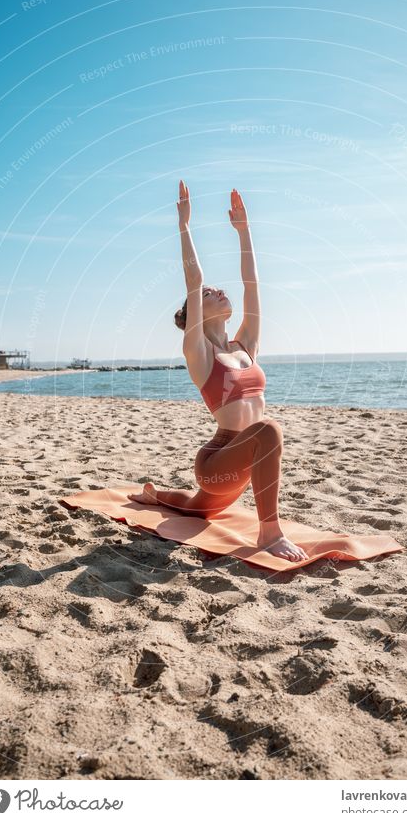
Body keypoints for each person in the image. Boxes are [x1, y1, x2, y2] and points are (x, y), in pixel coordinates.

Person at [128, 181, 308, 562]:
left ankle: (155, 494)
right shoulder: (200, 353)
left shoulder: (245, 345)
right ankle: (270, 533)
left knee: (199, 508)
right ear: (196, 312)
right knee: (269, 428)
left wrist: (244, 232)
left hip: (243, 461)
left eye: (217, 290)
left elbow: (251, 284)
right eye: (210, 294)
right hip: (219, 458)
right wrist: (184, 225)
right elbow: (193, 279)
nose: (218, 292)